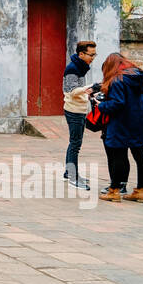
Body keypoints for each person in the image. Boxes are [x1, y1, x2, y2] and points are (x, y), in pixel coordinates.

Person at [97, 52, 143, 203]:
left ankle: (114, 190)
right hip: (140, 118)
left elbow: (117, 103)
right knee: (139, 154)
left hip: (122, 120)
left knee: (118, 154)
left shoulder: (117, 80)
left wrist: (101, 105)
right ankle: (141, 190)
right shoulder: (139, 76)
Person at [62, 41, 97, 191]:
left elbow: (80, 91)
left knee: (75, 143)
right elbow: (71, 90)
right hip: (74, 110)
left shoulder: (81, 67)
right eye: (91, 54)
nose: (93, 58)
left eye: (94, 54)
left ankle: (68, 171)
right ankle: (73, 176)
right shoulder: (73, 68)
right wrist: (89, 88)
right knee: (75, 144)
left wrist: (90, 95)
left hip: (80, 108)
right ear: (81, 54)